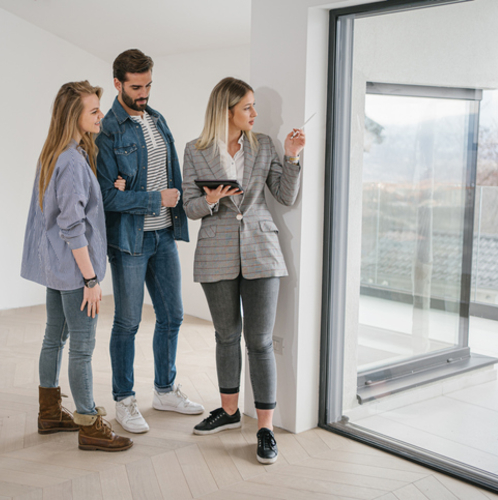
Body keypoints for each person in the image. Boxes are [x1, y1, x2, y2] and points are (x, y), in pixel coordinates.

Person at [181, 77, 305, 464]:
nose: (255, 113)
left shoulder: (264, 144)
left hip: (262, 251)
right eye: (248, 107)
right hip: (215, 252)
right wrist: (210, 199)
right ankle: (230, 412)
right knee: (225, 335)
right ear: (227, 111)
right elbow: (188, 206)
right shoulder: (195, 150)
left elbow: (284, 195)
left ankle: (265, 429)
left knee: (260, 340)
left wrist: (292, 157)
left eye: (254, 106)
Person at [95, 49, 204, 434]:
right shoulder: (108, 129)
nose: (144, 94)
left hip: (164, 236)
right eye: (136, 87)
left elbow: (166, 173)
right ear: (118, 84)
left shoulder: (157, 120)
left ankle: (164, 390)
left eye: (148, 86)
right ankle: (124, 399)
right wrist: (155, 198)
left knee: (172, 316)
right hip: (130, 241)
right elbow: (107, 197)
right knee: (127, 322)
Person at [21, 81, 132, 452]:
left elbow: (65, 213)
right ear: (75, 116)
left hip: (55, 265)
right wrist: (90, 278)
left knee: (55, 337)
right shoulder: (70, 161)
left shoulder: (57, 153)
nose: (101, 116)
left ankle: (49, 413)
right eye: (94, 111)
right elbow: (71, 225)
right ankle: (89, 424)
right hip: (73, 270)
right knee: (82, 346)